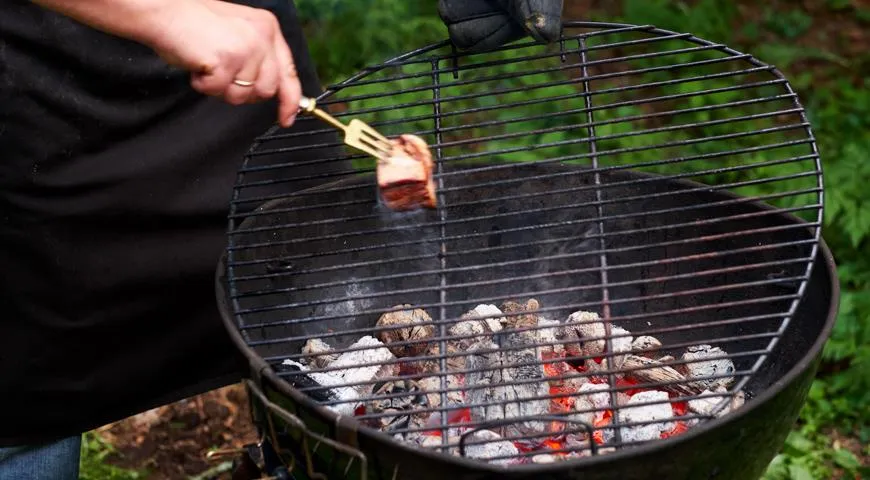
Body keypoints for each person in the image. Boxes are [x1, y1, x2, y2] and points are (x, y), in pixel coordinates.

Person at [0, 0, 563, 478]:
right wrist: (159, 12)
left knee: (297, 300)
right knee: (29, 384)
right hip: (45, 90)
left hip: (245, 51)